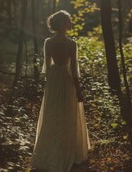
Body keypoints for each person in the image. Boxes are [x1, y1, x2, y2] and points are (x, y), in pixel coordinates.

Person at [30, 10, 90, 172]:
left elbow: (47, 67)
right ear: (63, 24)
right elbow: (74, 70)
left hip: (54, 80)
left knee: (52, 113)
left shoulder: (48, 42)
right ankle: (66, 151)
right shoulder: (71, 44)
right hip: (66, 78)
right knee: (67, 113)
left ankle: (51, 151)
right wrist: (78, 90)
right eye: (68, 21)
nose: (70, 23)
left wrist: (49, 85)